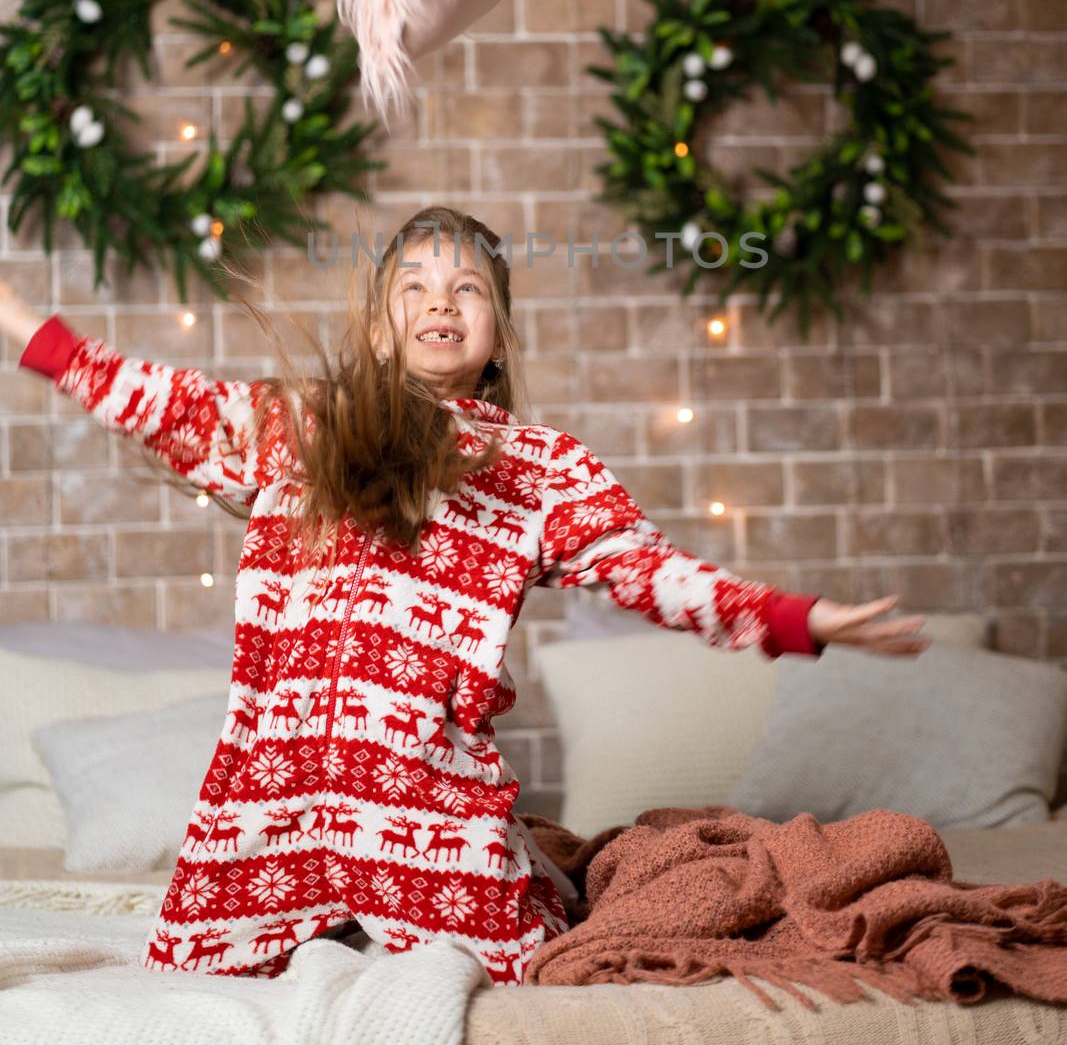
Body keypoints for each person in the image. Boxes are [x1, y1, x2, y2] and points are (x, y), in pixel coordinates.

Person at [0, 203, 928, 987]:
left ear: (494, 340)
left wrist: (790, 617)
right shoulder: (297, 428)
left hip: (427, 801)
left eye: (467, 289)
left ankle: (504, 887)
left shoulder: (539, 469)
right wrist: (19, 323)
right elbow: (156, 397)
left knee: (533, 973)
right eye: (414, 286)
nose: (441, 301)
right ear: (375, 328)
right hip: (272, 801)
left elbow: (651, 572)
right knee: (185, 983)